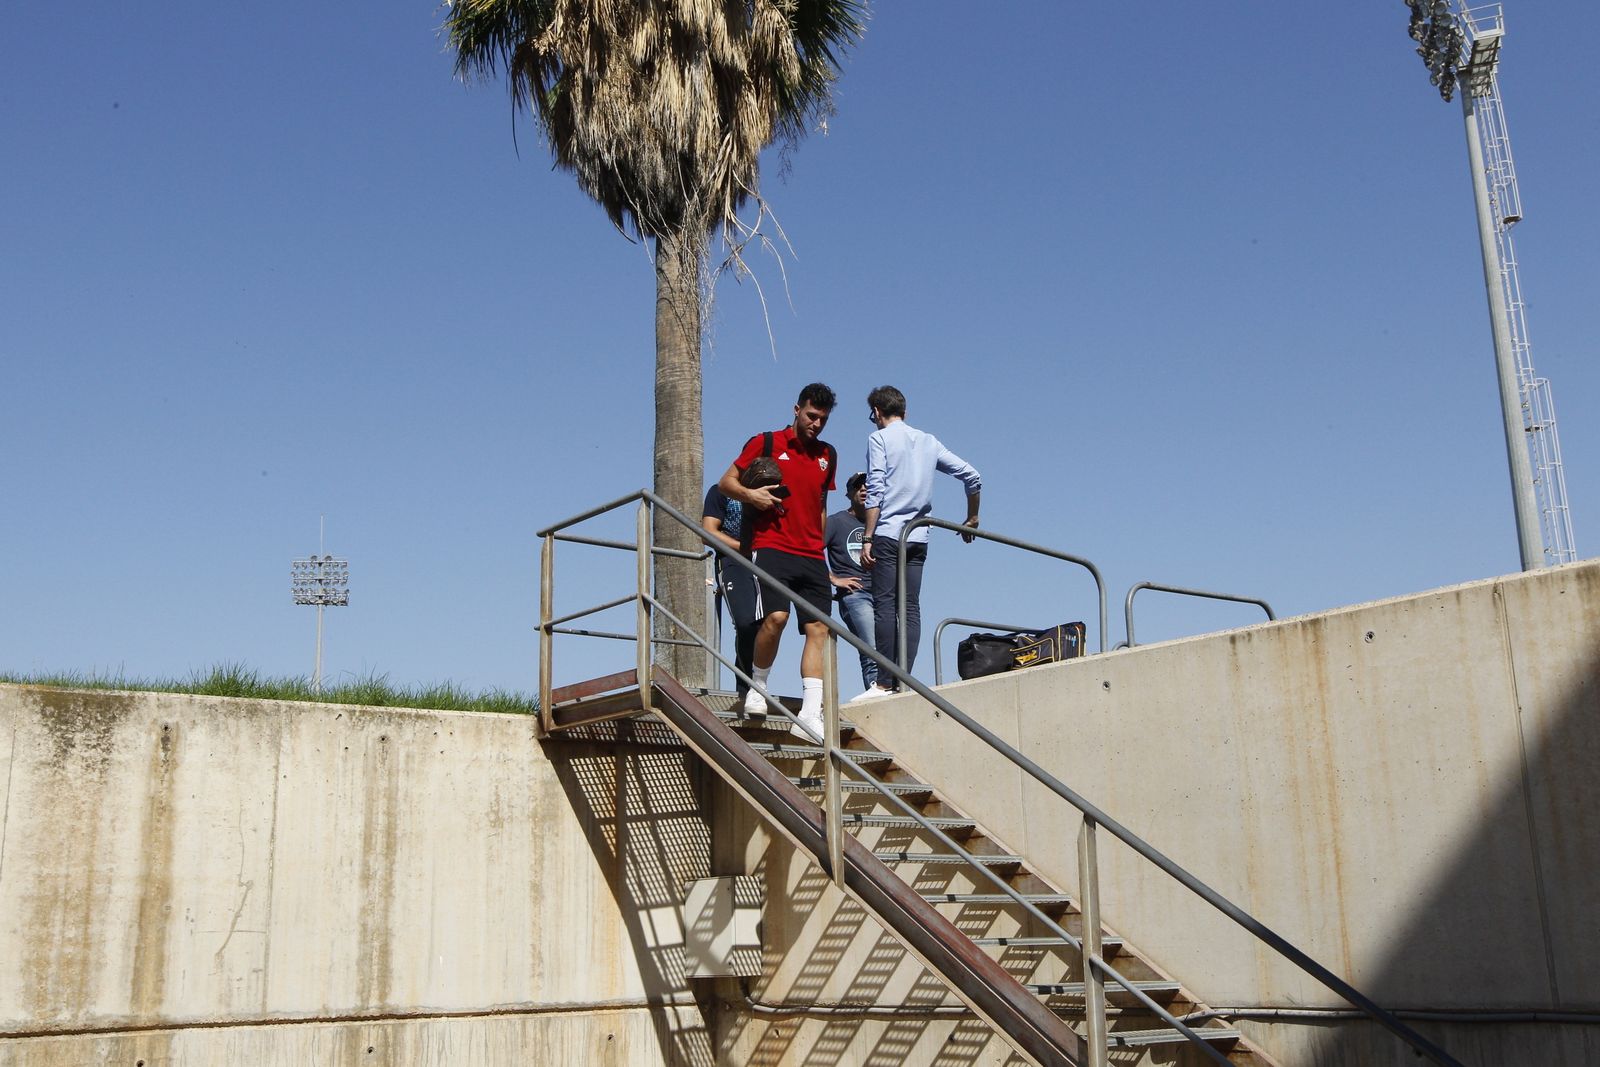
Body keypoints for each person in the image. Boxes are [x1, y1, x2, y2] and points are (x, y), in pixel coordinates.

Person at [716, 383, 839, 733]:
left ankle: (810, 713)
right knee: (776, 618)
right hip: (771, 546)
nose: (816, 424)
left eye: (823, 420)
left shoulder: (828, 454)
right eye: (812, 416)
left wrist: (822, 550)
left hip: (812, 554)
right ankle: (758, 685)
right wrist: (751, 496)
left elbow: (821, 504)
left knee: (818, 629)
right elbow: (726, 483)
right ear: (796, 409)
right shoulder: (766, 443)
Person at [855, 385, 981, 701]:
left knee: (885, 604)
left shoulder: (879, 439)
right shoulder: (928, 441)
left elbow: (876, 490)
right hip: (919, 535)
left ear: (877, 412)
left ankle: (884, 681)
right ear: (905, 412)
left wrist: (867, 538)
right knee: (910, 607)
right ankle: (904, 680)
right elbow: (972, 476)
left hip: (887, 534)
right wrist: (972, 518)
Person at [702, 479, 757, 701]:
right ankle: (746, 690)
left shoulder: (776, 494)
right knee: (746, 624)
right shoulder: (720, 491)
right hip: (733, 561)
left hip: (769, 561)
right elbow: (707, 533)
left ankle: (758, 686)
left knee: (770, 625)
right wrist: (745, 548)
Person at [824, 472, 877, 693]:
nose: (864, 489)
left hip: (883, 594)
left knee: (892, 651)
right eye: (858, 487)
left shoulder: (880, 523)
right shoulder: (835, 522)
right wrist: (834, 579)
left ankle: (893, 694)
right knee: (872, 650)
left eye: (869, 486)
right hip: (856, 595)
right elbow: (810, 553)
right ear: (849, 493)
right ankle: (877, 696)